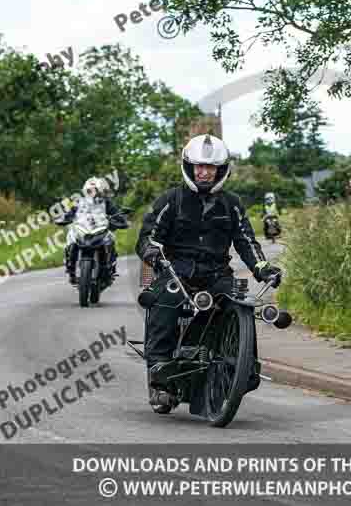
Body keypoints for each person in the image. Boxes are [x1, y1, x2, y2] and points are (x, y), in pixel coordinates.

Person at [136, 134, 282, 411]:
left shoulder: (232, 204)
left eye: (210, 168)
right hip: (177, 269)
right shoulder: (171, 200)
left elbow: (246, 240)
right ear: (189, 168)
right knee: (163, 299)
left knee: (244, 305)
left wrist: (263, 268)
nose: (204, 172)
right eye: (199, 167)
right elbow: (148, 237)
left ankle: (244, 368)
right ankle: (159, 375)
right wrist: (152, 252)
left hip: (217, 273)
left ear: (221, 170)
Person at [63, 177, 123, 285]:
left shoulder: (106, 202)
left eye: (94, 190)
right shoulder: (78, 202)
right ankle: (70, 269)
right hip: (82, 228)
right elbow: (70, 213)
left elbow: (116, 213)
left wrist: (121, 220)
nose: (91, 193)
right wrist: (64, 218)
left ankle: (110, 268)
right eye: (88, 191)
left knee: (111, 238)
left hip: (100, 228)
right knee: (70, 238)